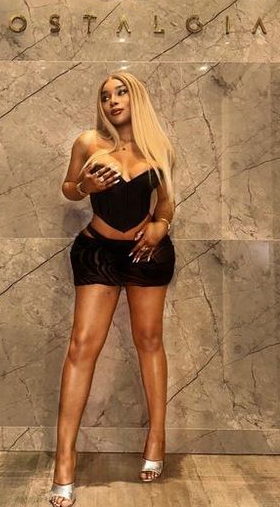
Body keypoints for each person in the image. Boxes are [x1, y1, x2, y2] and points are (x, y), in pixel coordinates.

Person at [48, 72, 176, 507]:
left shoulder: (158, 148)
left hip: (146, 253)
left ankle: (156, 437)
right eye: (105, 96)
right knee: (81, 346)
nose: (113, 101)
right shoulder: (89, 143)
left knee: (150, 340)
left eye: (121, 92)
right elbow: (69, 188)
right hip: (96, 251)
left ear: (136, 97)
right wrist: (86, 186)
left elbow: (165, 202)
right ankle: (65, 457)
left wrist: (160, 226)